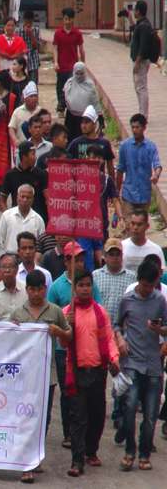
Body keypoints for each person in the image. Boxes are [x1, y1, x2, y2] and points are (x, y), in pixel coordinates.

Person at [10, 269, 72, 483]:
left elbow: (68, 337)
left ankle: (34, 457)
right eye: (32, 289)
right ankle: (26, 462)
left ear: (45, 289)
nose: (36, 293)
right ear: (26, 290)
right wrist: (12, 330)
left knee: (43, 418)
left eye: (39, 289)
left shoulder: (55, 311)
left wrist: (59, 332)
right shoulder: (18, 313)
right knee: (24, 417)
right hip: (23, 375)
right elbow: (9, 344)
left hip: (47, 373)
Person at [64, 271, 120, 477]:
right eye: (81, 285)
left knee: (97, 415)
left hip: (98, 371)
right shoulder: (67, 312)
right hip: (76, 371)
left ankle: (91, 451)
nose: (85, 289)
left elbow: (109, 338)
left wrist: (114, 358)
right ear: (74, 288)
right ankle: (77, 461)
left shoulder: (100, 312)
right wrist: (67, 325)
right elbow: (62, 342)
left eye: (88, 285)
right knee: (78, 418)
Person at [115, 260, 167, 471]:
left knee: (150, 414)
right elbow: (116, 324)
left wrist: (159, 330)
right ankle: (130, 451)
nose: (147, 289)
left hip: (153, 363)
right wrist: (120, 339)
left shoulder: (160, 300)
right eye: (145, 285)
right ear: (139, 281)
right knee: (129, 408)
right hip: (132, 362)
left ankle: (145, 454)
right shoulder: (127, 300)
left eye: (151, 286)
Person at [117, 114, 160, 218]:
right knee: (129, 224)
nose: (134, 130)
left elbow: (157, 164)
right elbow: (120, 170)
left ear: (144, 128)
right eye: (133, 127)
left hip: (144, 195)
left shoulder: (151, 147)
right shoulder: (125, 146)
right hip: (128, 195)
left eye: (137, 127)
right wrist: (117, 192)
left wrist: (156, 175)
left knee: (141, 225)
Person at [53, 7, 85, 114]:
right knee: (60, 86)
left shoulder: (77, 33)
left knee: (71, 87)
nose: (67, 21)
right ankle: (61, 106)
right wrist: (55, 62)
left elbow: (81, 49)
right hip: (61, 66)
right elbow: (55, 48)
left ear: (73, 19)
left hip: (73, 66)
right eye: (65, 19)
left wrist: (83, 64)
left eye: (69, 19)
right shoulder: (58, 33)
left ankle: (71, 107)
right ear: (63, 19)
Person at [0, 184, 45, 253]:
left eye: (28, 197)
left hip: (30, 257)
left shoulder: (38, 220)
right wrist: (2, 256)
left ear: (32, 199)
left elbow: (41, 244)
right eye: (22, 196)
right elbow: (0, 240)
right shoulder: (6, 216)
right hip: (9, 256)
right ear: (17, 197)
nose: (25, 200)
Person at [129, 0, 153, 117]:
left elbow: (143, 47)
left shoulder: (144, 26)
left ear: (138, 11)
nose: (134, 12)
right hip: (140, 61)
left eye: (135, 10)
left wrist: (137, 63)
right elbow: (134, 29)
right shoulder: (142, 23)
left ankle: (143, 115)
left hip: (141, 61)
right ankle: (142, 112)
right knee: (139, 87)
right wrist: (129, 16)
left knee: (141, 88)